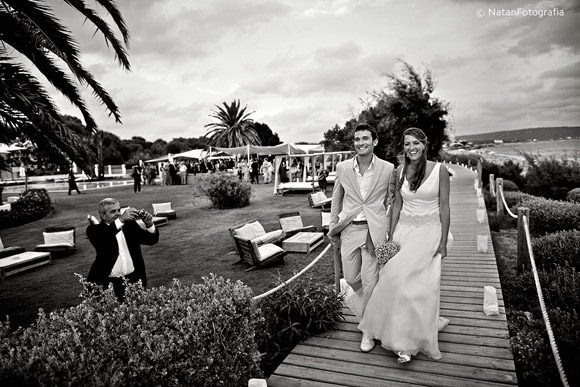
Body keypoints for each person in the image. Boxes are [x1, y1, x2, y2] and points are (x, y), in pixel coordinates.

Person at [358, 127, 452, 364]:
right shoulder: (400, 170)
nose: (411, 148)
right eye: (407, 144)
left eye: (415, 143)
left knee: (421, 286)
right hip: (403, 233)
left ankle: (407, 342)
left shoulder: (440, 170)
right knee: (391, 278)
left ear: (424, 144)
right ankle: (383, 331)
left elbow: (444, 207)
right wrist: (390, 236)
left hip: (430, 233)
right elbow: (397, 205)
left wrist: (443, 243)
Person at [329, 123, 394, 353]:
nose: (360, 143)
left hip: (374, 232)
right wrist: (332, 227)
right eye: (357, 139)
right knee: (351, 278)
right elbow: (336, 199)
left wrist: (389, 232)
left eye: (365, 138)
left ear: (375, 141)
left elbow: (392, 202)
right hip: (349, 230)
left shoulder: (388, 168)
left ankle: (368, 330)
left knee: (370, 282)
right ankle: (375, 310)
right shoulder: (343, 167)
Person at [86, 198, 159, 301]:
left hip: (134, 280)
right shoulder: (94, 230)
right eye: (113, 211)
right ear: (103, 215)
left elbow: (151, 240)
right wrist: (121, 220)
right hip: (108, 284)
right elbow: (104, 238)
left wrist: (149, 224)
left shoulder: (129, 225)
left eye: (118, 210)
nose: (118, 214)